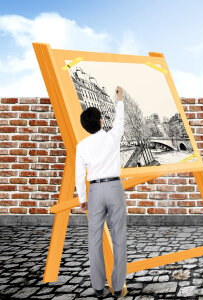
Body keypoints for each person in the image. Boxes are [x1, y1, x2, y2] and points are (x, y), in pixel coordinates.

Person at [75, 86, 128, 298]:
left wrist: (82, 198)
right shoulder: (112, 137)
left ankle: (97, 286)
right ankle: (117, 287)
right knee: (119, 238)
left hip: (95, 190)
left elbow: (79, 175)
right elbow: (120, 122)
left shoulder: (82, 146)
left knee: (95, 239)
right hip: (114, 187)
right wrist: (120, 101)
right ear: (100, 122)